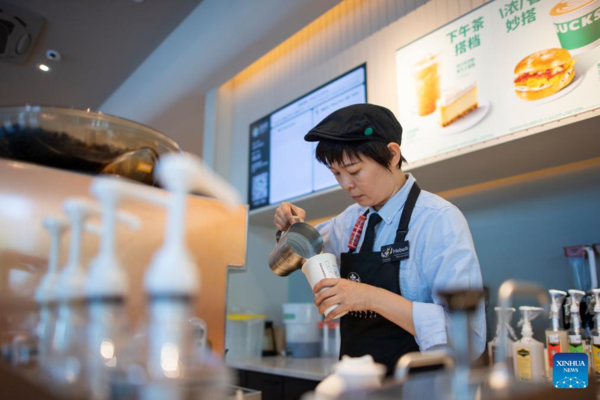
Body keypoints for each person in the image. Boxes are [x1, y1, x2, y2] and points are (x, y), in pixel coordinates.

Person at [273, 103, 485, 375]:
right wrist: (290, 228)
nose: (346, 184)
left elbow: (468, 336)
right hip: (358, 387)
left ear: (392, 154)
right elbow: (294, 259)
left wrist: (371, 298)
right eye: (336, 174)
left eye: (355, 170)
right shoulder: (350, 220)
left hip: (420, 388)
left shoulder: (439, 220)